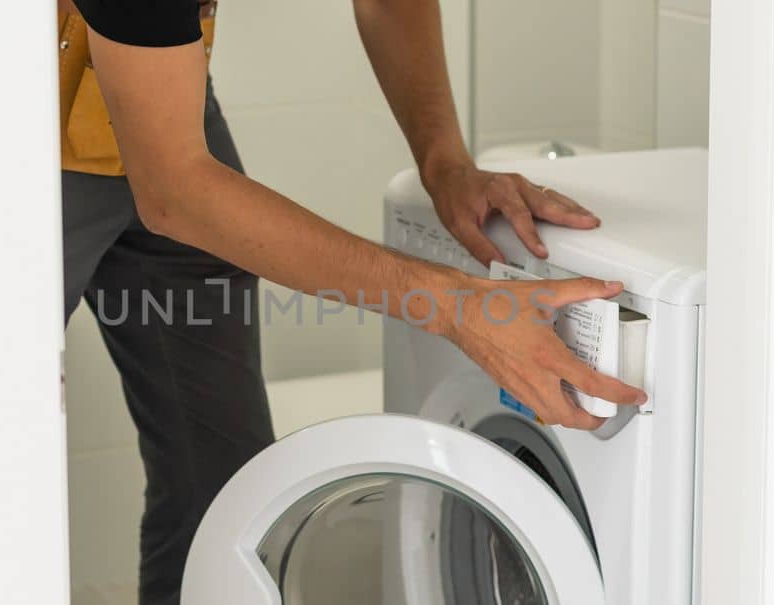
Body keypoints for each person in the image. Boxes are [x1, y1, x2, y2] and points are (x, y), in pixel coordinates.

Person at [58, 0, 647, 602]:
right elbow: (175, 192)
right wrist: (453, 305)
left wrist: (443, 161)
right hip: (12, 112)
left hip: (155, 83)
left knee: (218, 476)